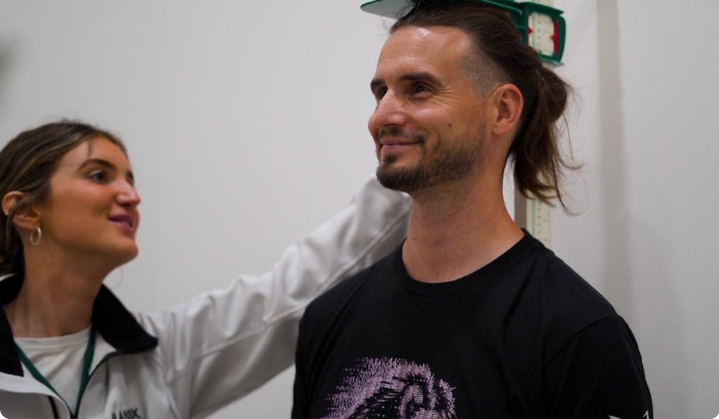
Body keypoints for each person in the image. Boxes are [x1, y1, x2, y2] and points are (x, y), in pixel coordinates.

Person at [292, 0, 653, 419]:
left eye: (419, 89)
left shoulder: (576, 336)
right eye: (380, 92)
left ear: (502, 110)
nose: (381, 116)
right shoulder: (327, 319)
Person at [0, 120, 411, 418]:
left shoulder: (160, 354)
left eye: (130, 178)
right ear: (27, 210)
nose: (131, 195)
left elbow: (293, 292)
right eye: (98, 176)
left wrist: (408, 173)